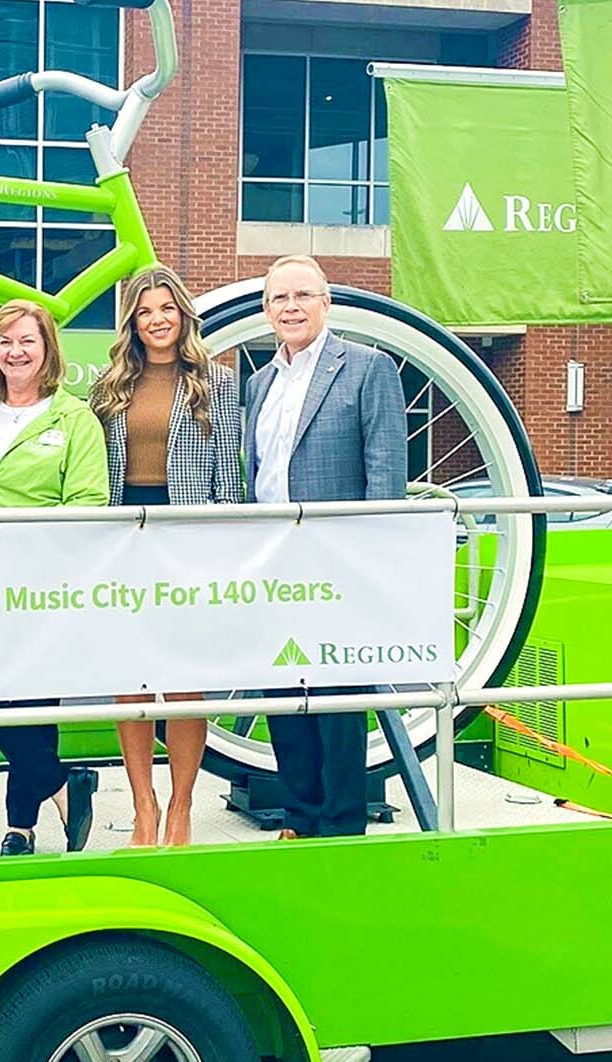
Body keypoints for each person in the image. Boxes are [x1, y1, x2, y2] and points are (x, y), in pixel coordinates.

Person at [244, 254, 407, 839]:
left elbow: (386, 474)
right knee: (283, 692)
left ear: (326, 302)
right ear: (266, 311)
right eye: (278, 299)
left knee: (338, 694)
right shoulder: (259, 382)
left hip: (339, 559)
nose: (290, 308)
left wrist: (374, 558)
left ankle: (340, 824)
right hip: (273, 560)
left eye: (301, 296)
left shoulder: (368, 368)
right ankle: (299, 816)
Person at [88, 265, 244, 848]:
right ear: (132, 321)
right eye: (145, 311)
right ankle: (143, 806)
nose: (157, 320)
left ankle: (181, 806)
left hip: (188, 540)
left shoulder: (217, 385)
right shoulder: (109, 386)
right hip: (125, 537)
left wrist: (218, 552)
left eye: (167, 309)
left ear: (183, 316)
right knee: (129, 681)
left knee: (183, 682)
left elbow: (229, 480)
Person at [0, 299, 105, 856]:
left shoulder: (75, 419)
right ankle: (64, 784)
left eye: (27, 342)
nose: (15, 352)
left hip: (43, 581)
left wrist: (27, 541)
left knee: (32, 703)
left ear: (48, 351)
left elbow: (89, 502)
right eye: (5, 343)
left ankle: (20, 828)